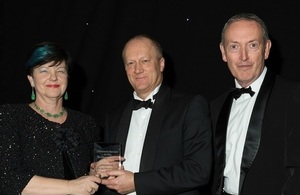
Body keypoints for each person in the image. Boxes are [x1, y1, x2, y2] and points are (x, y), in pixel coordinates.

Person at [99, 34, 213, 195]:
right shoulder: (114, 117)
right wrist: (99, 173)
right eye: (131, 63)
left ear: (161, 64)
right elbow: (110, 176)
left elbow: (198, 171)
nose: (137, 69)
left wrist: (136, 183)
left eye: (145, 61)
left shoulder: (190, 105)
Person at [210, 13, 300, 195]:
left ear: (266, 49)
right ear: (223, 52)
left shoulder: (294, 95)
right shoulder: (215, 106)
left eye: (252, 45)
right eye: (234, 46)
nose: (243, 57)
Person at [0, 42, 103, 195]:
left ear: (67, 77)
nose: (53, 77)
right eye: (43, 70)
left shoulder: (86, 123)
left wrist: (96, 174)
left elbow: (89, 177)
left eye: (60, 71)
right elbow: (7, 178)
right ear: (31, 80)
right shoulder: (10, 116)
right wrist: (70, 186)